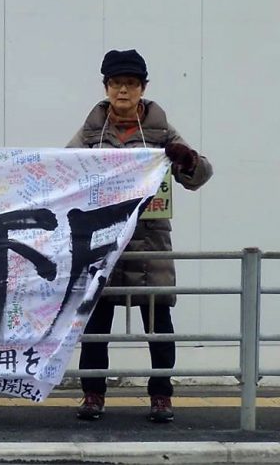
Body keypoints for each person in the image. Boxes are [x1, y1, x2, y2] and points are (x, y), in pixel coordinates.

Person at [66, 49, 213, 423]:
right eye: (116, 83)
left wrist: (187, 159)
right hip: (103, 244)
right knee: (96, 325)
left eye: (131, 84)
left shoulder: (162, 131)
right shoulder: (90, 132)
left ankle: (162, 396)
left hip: (150, 244)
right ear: (106, 87)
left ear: (143, 88)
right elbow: (62, 172)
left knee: (159, 326)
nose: (123, 91)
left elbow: (201, 175)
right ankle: (93, 394)